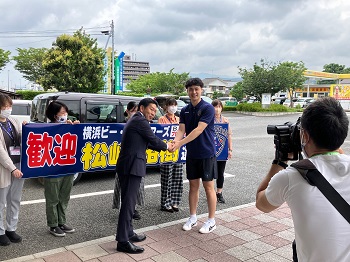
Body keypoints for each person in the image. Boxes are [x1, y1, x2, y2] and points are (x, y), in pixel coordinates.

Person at [256, 97, 350, 262]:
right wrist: (331, 138)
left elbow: (261, 203)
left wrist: (280, 159)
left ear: (304, 136)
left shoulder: (291, 177)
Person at [115, 98, 173, 254]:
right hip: (131, 166)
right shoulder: (140, 121)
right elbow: (153, 139)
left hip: (130, 164)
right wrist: (168, 146)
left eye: (155, 110)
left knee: (130, 202)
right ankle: (122, 240)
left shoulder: (136, 119)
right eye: (151, 109)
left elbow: (148, 143)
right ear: (142, 108)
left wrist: (164, 146)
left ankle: (129, 233)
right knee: (128, 203)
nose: (153, 113)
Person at [172, 77, 217, 234]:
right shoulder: (184, 110)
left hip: (206, 153)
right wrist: (174, 142)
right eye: (190, 89)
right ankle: (193, 217)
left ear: (201, 90)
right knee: (193, 186)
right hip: (192, 154)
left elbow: (199, 130)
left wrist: (180, 144)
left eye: (196, 89)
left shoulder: (208, 108)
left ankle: (211, 220)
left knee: (209, 186)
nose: (193, 92)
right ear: (187, 91)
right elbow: (181, 129)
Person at [44, 101, 80, 237]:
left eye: (66, 112)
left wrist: (75, 128)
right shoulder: (45, 128)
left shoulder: (69, 126)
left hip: (67, 166)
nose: (65, 115)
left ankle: (61, 222)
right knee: (52, 197)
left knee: (64, 196)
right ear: (54, 115)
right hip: (52, 168)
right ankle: (53, 224)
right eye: (62, 113)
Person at [0, 94, 24, 246]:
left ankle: (11, 228)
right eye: (4, 108)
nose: (8, 110)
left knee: (15, 200)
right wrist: (12, 168)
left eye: (9, 107)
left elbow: (24, 138)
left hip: (18, 167)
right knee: (1, 202)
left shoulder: (13, 121)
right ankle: (0, 231)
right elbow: (0, 152)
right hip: (4, 169)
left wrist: (28, 128)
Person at [113, 101, 143, 220]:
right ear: (127, 111)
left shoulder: (141, 123)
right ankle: (125, 209)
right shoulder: (124, 124)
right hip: (125, 160)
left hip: (136, 161)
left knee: (136, 187)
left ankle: (132, 208)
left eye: (137, 111)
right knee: (123, 186)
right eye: (133, 111)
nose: (135, 113)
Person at [158, 98, 184, 212]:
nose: (173, 107)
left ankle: (175, 202)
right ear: (166, 107)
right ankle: (165, 203)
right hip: (166, 153)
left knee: (178, 178)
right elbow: (160, 135)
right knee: (166, 178)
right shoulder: (162, 119)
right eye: (171, 105)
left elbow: (183, 133)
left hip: (178, 152)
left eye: (175, 105)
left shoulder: (178, 119)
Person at [211, 99, 233, 204]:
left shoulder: (225, 121)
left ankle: (219, 192)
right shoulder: (208, 119)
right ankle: (210, 193)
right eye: (215, 106)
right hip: (210, 151)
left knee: (221, 172)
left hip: (222, 150)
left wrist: (230, 149)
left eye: (219, 106)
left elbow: (229, 136)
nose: (217, 109)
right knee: (210, 172)